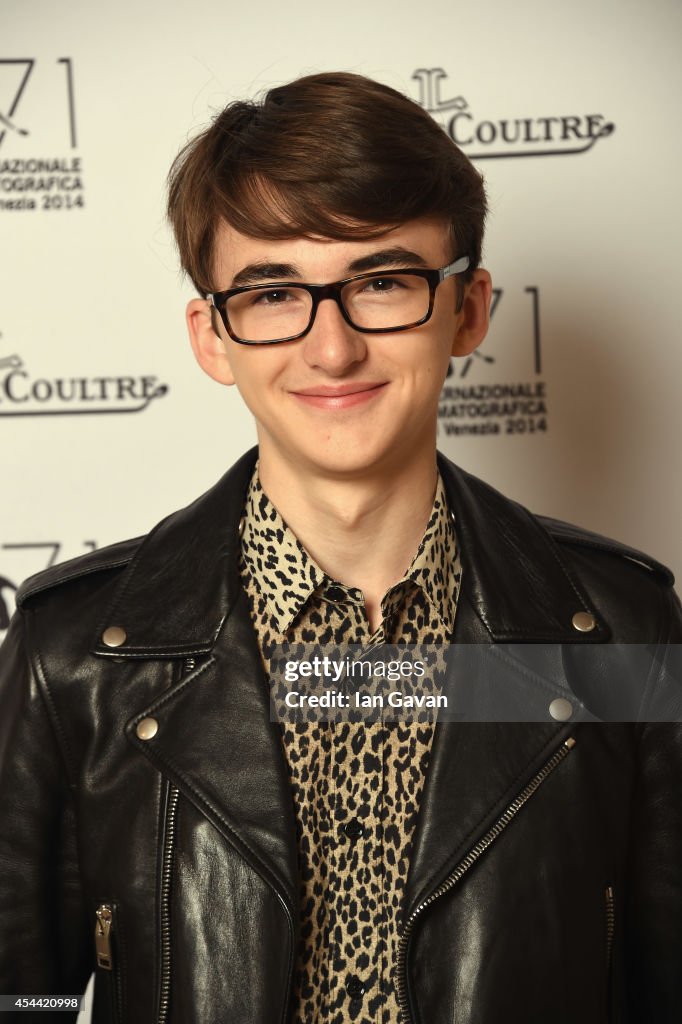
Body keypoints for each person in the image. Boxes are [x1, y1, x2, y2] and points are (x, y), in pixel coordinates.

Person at [0, 71, 680, 1024]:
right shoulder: (72, 651)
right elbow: (17, 996)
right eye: (275, 293)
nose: (332, 350)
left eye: (383, 283)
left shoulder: (623, 629)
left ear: (470, 309)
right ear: (213, 336)